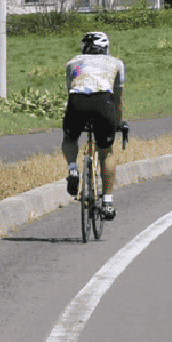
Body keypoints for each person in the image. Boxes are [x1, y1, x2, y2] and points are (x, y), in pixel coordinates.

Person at [62, 30, 126, 219]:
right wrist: (118, 121)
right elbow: (118, 98)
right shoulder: (116, 63)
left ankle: (72, 169)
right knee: (106, 150)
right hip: (103, 102)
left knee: (70, 137)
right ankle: (107, 201)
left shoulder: (73, 62)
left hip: (77, 101)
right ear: (105, 48)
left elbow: (71, 89)